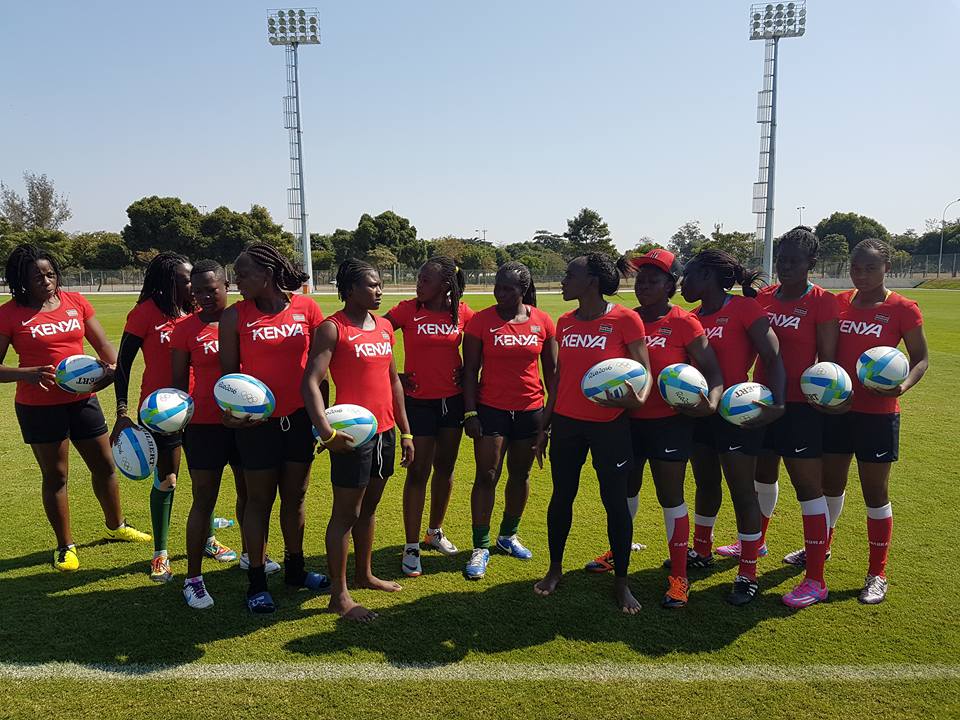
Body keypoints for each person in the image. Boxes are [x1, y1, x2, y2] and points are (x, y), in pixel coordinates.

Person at [584, 249, 724, 608]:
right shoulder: (625, 319)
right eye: (641, 279)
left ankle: (679, 575)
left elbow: (712, 371)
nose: (644, 285)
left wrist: (710, 403)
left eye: (653, 280)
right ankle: (620, 551)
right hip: (626, 423)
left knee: (670, 496)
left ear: (669, 285)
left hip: (669, 424)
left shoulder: (684, 322)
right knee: (625, 492)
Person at [0, 244, 149, 571]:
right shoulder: (9, 313)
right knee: (56, 476)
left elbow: (107, 348)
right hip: (38, 406)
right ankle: (65, 546)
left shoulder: (75, 302)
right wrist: (28, 373)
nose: (46, 281)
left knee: (106, 465)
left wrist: (111, 368)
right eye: (37, 276)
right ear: (21, 279)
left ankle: (117, 525)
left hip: (84, 400)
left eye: (50, 274)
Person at [713, 227, 841, 609]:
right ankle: (757, 542)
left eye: (794, 261)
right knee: (761, 476)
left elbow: (829, 362)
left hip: (801, 407)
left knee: (808, 488)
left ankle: (816, 579)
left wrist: (820, 398)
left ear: (811, 264)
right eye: (782, 258)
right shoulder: (764, 298)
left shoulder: (822, 302)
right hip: (759, 403)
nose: (785, 266)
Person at [532, 253, 651, 614]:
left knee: (615, 504)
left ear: (592, 283)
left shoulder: (625, 319)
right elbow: (559, 379)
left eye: (570, 274)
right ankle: (555, 569)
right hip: (567, 423)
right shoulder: (565, 322)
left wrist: (637, 399)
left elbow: (644, 372)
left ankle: (621, 582)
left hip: (610, 426)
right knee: (561, 497)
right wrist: (544, 425)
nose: (564, 281)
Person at [219, 243, 329, 613]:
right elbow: (229, 378)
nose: (237, 282)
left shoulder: (307, 308)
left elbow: (320, 370)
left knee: (295, 496)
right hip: (255, 426)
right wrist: (231, 415)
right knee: (258, 501)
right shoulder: (234, 317)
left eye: (243, 275)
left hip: (298, 420)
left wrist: (320, 420)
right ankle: (256, 580)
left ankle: (295, 571)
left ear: (267, 276)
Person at [302, 259, 414, 622]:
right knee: (345, 515)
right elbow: (311, 382)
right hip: (351, 436)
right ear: (350, 290)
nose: (379, 290)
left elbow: (392, 381)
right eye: (372, 285)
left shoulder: (384, 328)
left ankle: (364, 575)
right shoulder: (333, 329)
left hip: (384, 433)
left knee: (369, 510)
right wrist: (326, 431)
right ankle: (339, 595)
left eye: (380, 285)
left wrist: (405, 430)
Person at [112, 251, 232, 582]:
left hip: (202, 410)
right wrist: (122, 412)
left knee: (204, 479)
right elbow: (122, 365)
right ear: (168, 283)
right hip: (161, 412)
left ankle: (208, 540)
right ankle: (160, 553)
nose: (193, 288)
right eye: (185, 281)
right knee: (168, 480)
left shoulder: (199, 311)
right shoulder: (145, 313)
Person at [820, 238, 927, 604]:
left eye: (870, 268)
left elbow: (920, 359)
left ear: (887, 268)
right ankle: (823, 548)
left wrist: (902, 387)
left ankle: (877, 572)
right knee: (830, 485)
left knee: (875, 492)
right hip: (838, 410)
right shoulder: (839, 304)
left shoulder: (902, 308)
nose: (861, 274)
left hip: (878, 415)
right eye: (855, 267)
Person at [677, 249, 786, 605]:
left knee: (742, 491)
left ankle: (748, 571)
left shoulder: (744, 309)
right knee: (706, 483)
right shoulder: (692, 317)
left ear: (707, 275)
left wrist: (779, 404)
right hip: (699, 414)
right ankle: (702, 551)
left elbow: (772, 356)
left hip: (738, 415)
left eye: (689, 275)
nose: (683, 282)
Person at [461, 261, 557, 579]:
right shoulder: (480, 322)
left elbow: (553, 373)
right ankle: (480, 546)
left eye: (509, 288)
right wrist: (471, 412)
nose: (501, 293)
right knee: (487, 475)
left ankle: (507, 536)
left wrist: (549, 416)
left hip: (530, 410)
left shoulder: (542, 321)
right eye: (498, 286)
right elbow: (469, 372)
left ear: (523, 290)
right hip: (491, 410)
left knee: (520, 474)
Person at [384, 256, 472, 577]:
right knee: (418, 471)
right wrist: (397, 376)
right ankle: (411, 545)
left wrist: (471, 372)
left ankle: (434, 531)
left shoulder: (462, 313)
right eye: (419, 278)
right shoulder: (408, 309)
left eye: (425, 280)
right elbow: (376, 332)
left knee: (445, 468)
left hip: (453, 402)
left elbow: (483, 344)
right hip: (418, 402)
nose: (419, 284)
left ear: (445, 285)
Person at [172, 260, 248, 609]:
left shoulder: (245, 319)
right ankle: (193, 579)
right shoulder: (185, 329)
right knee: (204, 498)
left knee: (250, 493)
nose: (203, 296)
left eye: (210, 289)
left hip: (247, 423)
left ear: (227, 286)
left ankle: (252, 555)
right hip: (203, 425)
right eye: (197, 290)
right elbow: (176, 386)